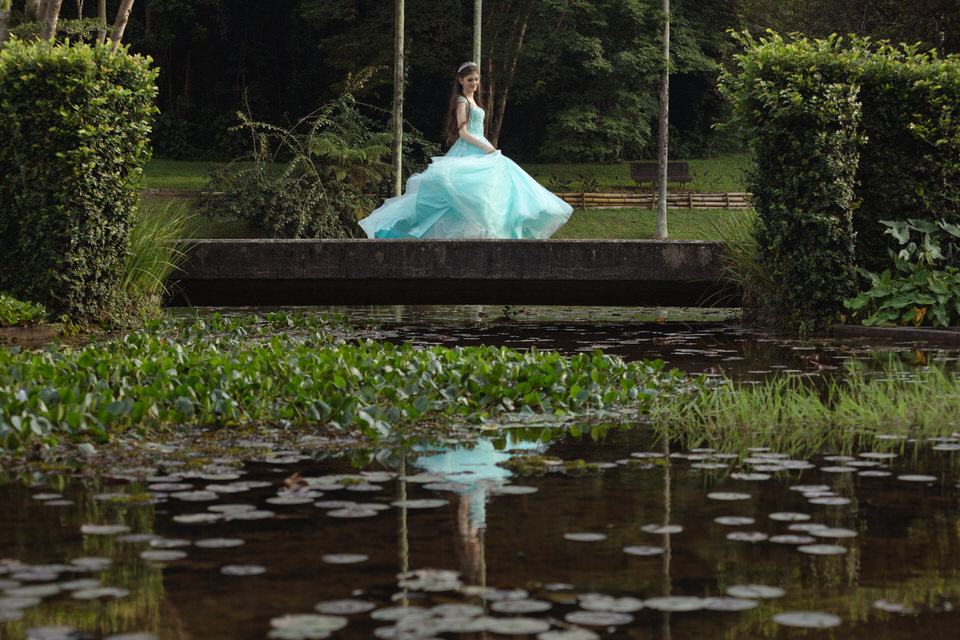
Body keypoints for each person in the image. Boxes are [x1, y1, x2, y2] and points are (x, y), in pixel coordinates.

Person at [359, 61, 573, 239]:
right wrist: (485, 146)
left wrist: (487, 146)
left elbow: (477, 129)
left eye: (477, 80)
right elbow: (463, 133)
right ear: (461, 81)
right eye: (470, 80)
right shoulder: (461, 101)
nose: (474, 83)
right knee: (463, 190)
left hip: (481, 146)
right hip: (469, 149)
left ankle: (498, 230)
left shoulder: (474, 100)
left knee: (496, 186)